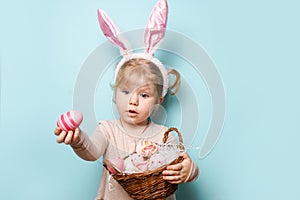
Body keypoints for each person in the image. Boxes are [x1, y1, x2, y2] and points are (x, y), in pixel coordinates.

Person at [54, 57, 199, 199]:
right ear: (115, 94)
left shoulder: (164, 136)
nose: (133, 101)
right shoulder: (107, 130)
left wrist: (189, 171)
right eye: (126, 92)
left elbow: (182, 161)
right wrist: (77, 140)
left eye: (144, 95)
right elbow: (91, 152)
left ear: (158, 101)